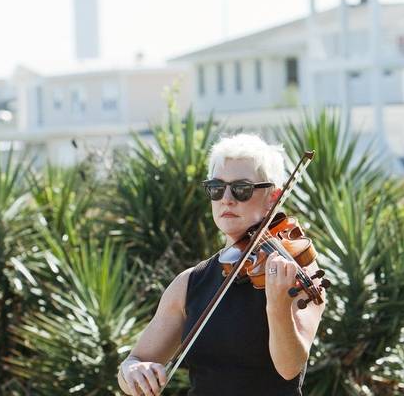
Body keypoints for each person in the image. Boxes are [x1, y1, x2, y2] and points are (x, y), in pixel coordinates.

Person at [117, 133, 326, 396]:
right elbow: (133, 364)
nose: (227, 199)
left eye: (241, 189)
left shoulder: (297, 273)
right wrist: (132, 371)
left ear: (273, 197)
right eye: (217, 188)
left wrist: (277, 305)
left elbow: (289, 368)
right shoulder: (190, 283)